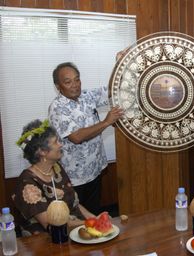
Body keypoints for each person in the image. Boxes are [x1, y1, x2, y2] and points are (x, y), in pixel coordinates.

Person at [48, 62, 124, 214]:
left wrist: (118, 64)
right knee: (76, 220)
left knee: (93, 216)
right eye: (68, 82)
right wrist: (106, 122)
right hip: (73, 178)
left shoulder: (86, 96)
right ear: (58, 86)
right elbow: (76, 137)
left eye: (77, 79)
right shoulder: (57, 107)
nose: (75, 85)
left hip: (95, 170)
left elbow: (111, 90)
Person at [13, 119, 96, 235]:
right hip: (48, 240)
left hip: (76, 229)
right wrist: (90, 223)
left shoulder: (56, 168)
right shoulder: (27, 182)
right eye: (56, 142)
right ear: (42, 152)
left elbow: (74, 204)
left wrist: (94, 218)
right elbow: (51, 224)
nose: (61, 144)